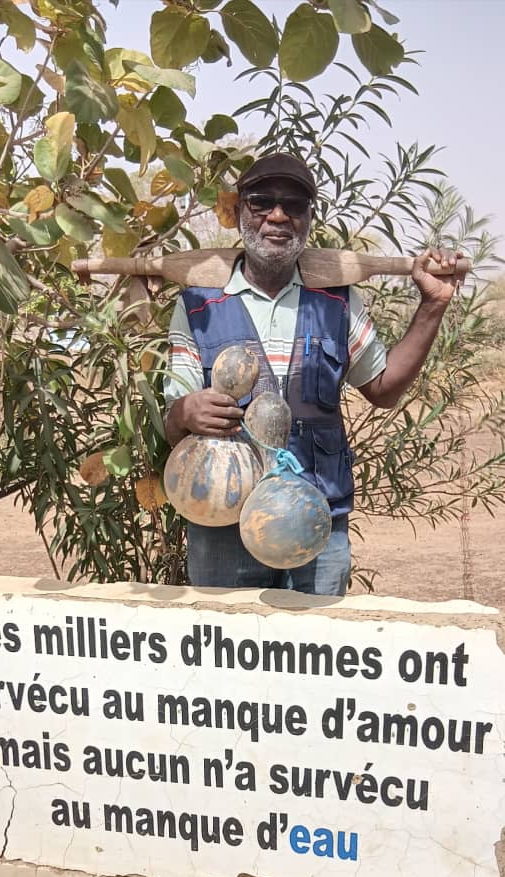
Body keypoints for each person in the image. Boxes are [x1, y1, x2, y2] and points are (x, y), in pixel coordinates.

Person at [163, 152, 464, 595]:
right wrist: (186, 412)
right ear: (239, 211)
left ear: (308, 218)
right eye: (261, 202)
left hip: (314, 520)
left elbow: (383, 389)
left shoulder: (338, 302)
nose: (278, 216)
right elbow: (173, 422)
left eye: (294, 205)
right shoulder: (198, 306)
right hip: (223, 523)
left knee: (317, 638)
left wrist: (433, 305)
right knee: (229, 638)